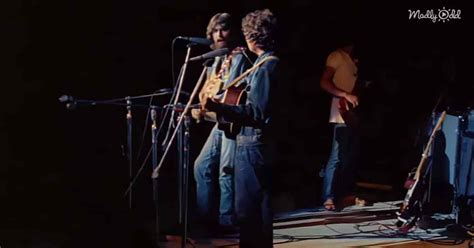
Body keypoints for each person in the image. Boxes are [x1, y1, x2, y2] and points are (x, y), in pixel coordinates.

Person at [204, 9, 279, 248]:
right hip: (255, 143)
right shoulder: (263, 63)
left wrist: (222, 109)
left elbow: (257, 112)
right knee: (258, 208)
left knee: (248, 211)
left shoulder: (267, 66)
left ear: (251, 36)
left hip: (253, 145)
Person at [192, 12, 251, 233]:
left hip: (232, 121)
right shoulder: (214, 60)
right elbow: (207, 91)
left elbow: (233, 92)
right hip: (220, 122)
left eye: (224, 29)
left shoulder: (237, 57)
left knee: (226, 170)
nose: (219, 34)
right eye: (215, 30)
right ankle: (205, 219)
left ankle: (227, 220)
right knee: (201, 166)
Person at [320, 37, 361, 211]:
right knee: (337, 155)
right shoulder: (337, 56)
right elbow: (324, 82)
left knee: (348, 156)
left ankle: (343, 194)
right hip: (340, 112)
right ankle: (328, 196)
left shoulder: (350, 59)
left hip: (351, 113)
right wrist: (345, 94)